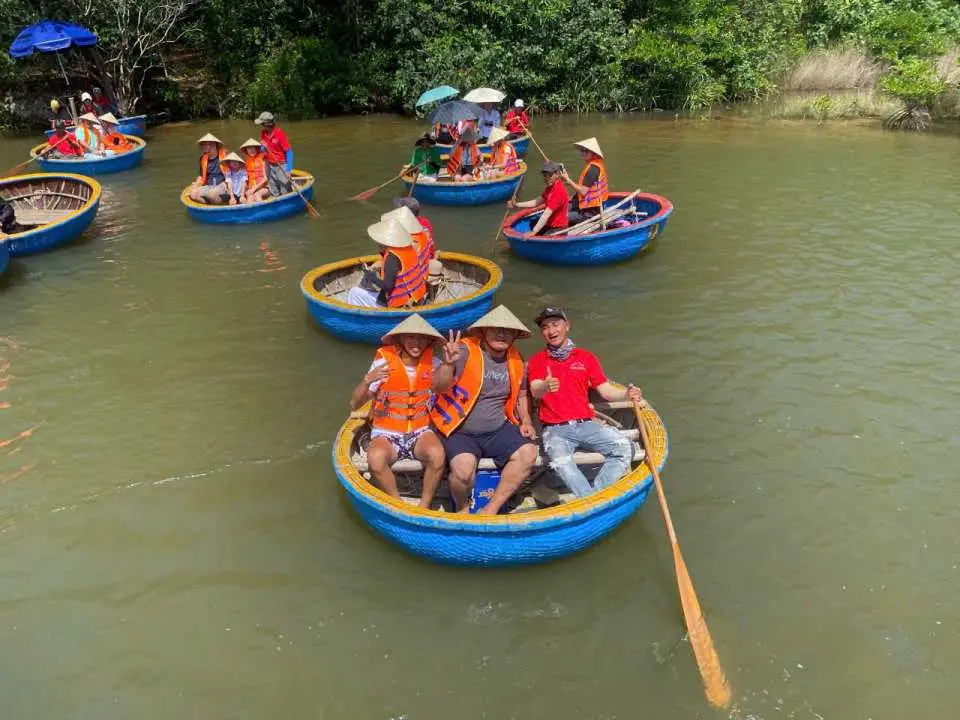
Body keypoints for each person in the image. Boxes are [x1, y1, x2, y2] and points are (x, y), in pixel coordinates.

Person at [430, 306, 538, 514]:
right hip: (460, 430)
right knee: (462, 472)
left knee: (529, 452)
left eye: (507, 331)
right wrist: (447, 364)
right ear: (484, 332)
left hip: (497, 429)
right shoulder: (463, 351)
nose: (501, 334)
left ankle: (491, 508)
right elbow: (437, 387)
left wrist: (526, 420)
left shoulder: (516, 360)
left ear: (515, 336)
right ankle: (462, 508)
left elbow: (522, 394)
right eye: (495, 329)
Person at [527, 306, 644, 498]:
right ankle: (593, 501)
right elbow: (535, 388)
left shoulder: (585, 357)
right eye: (546, 327)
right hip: (555, 430)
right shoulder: (538, 360)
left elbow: (605, 391)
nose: (551, 331)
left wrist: (626, 395)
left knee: (624, 448)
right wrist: (546, 386)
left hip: (586, 424)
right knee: (562, 462)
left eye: (555, 324)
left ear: (567, 326)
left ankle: (593, 497)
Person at [350, 313, 446, 507]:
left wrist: (450, 364)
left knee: (437, 455)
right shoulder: (383, 364)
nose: (416, 342)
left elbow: (444, 388)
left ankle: (424, 505)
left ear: (429, 341)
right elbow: (354, 404)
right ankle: (398, 502)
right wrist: (367, 380)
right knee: (376, 460)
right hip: (387, 433)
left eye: (421, 338)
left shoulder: (435, 364)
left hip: (419, 432)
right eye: (411, 337)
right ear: (401, 339)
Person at [345, 219, 426, 308]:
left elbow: (388, 286)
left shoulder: (392, 258)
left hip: (398, 304)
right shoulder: (408, 249)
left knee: (354, 292)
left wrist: (372, 277)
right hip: (415, 297)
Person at [507, 161, 569, 236]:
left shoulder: (559, 191)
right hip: (549, 224)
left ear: (556, 174)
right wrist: (516, 204)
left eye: (550, 175)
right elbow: (535, 202)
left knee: (538, 233)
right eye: (545, 175)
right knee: (532, 224)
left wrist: (534, 231)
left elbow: (546, 214)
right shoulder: (550, 188)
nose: (547, 178)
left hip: (559, 228)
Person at [381, 205, 432, 290]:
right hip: (419, 281)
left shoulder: (395, 254)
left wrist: (372, 278)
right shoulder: (423, 235)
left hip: (403, 292)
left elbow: (388, 286)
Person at [560, 137, 608, 225]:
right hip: (584, 205)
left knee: (560, 217)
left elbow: (583, 192)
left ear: (593, 153)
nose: (583, 153)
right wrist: (567, 180)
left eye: (586, 151)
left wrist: (568, 180)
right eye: (582, 150)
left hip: (590, 212)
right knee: (559, 209)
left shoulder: (593, 169)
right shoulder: (593, 165)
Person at [255, 111, 293, 196]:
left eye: (262, 124)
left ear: (267, 124)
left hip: (281, 164)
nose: (261, 126)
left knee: (285, 189)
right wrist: (262, 147)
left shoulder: (279, 134)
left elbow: (289, 151)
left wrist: (289, 169)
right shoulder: (263, 133)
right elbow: (262, 150)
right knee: (273, 188)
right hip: (269, 163)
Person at [188, 133, 229, 205]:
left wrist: (225, 183)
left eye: (210, 144)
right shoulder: (203, 158)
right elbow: (201, 176)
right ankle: (208, 205)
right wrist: (196, 185)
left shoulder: (226, 157)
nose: (206, 147)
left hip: (223, 186)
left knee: (212, 194)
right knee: (193, 194)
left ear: (215, 145)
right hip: (209, 185)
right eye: (204, 145)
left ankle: (214, 202)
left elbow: (234, 174)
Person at [240, 138, 270, 203]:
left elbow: (266, 178)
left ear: (256, 148)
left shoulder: (263, 159)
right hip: (252, 188)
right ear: (246, 150)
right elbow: (245, 179)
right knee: (249, 198)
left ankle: (263, 211)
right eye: (249, 148)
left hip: (265, 187)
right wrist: (243, 194)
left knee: (257, 195)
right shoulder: (247, 161)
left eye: (253, 148)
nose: (251, 150)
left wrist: (253, 189)